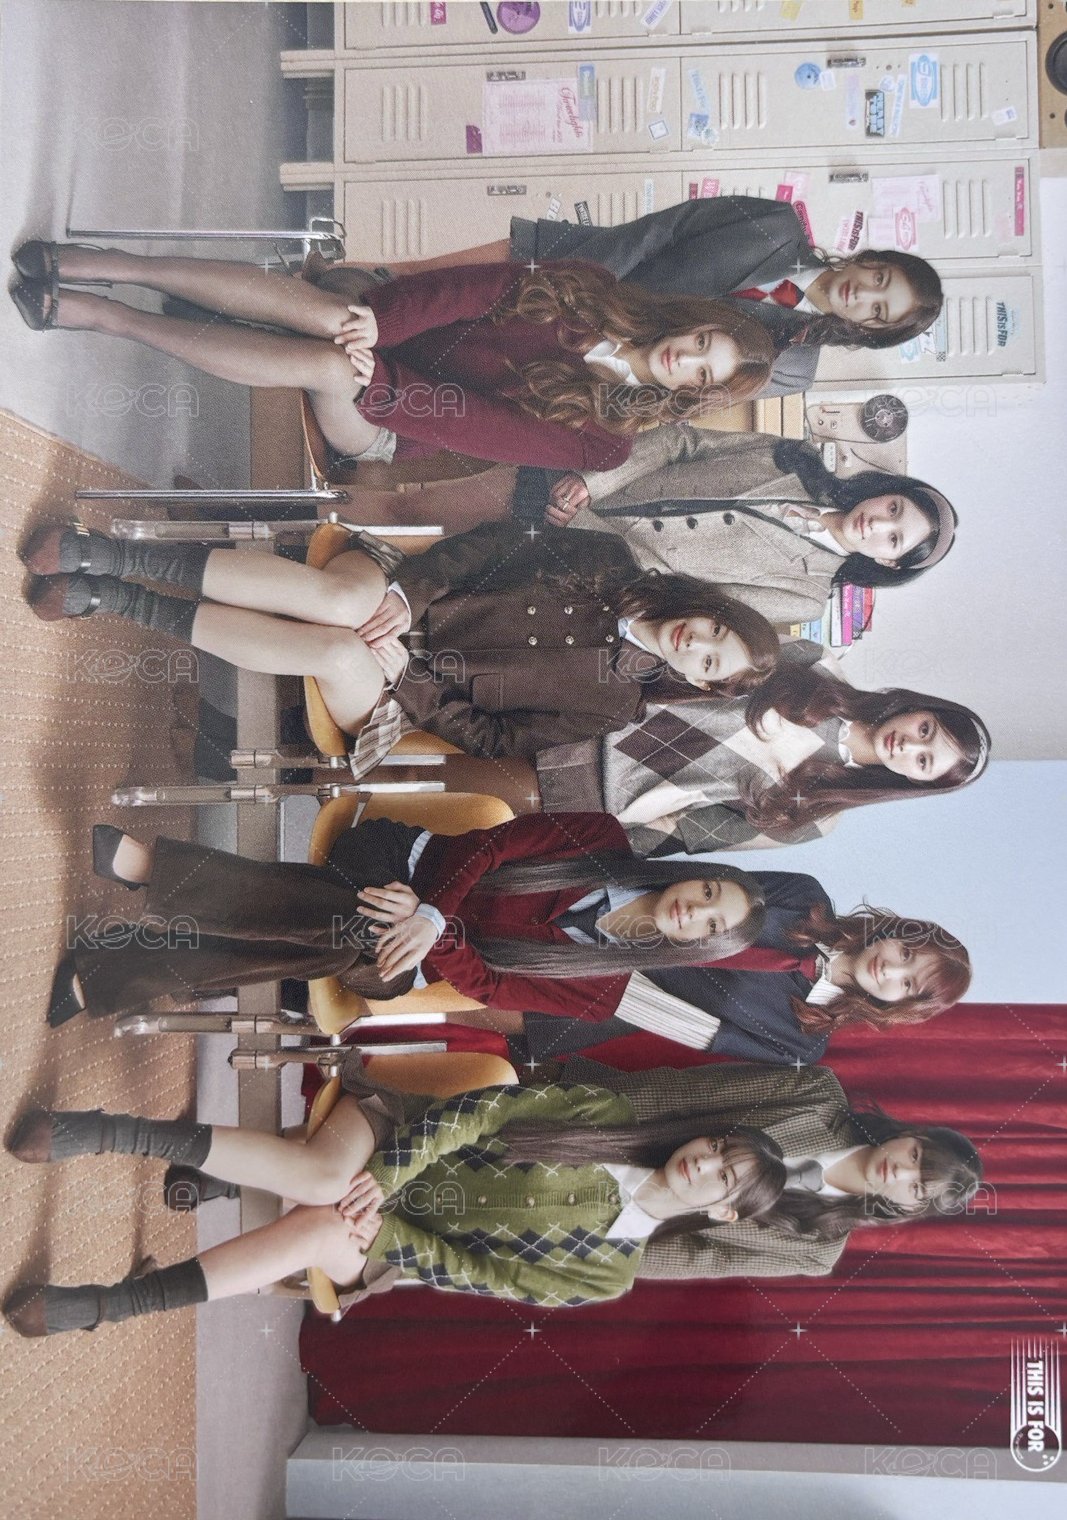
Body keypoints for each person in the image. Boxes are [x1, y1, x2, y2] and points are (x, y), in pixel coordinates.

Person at [2, 1081, 787, 1334]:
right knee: (323, 1180)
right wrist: (387, 1173)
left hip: (394, 1240)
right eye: (718, 1147)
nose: (703, 1163)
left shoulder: (608, 1274)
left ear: (722, 1214)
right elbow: (483, 1109)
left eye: (721, 1179)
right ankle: (105, 1132)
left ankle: (110, 1305)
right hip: (395, 1136)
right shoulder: (608, 1116)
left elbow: (479, 1275)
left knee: (323, 1222)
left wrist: (388, 1231)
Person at [23, 519, 782, 777]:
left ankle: (121, 602)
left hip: (397, 694)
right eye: (715, 631)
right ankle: (115, 556)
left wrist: (408, 679)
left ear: (697, 682)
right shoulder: (607, 559)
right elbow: (489, 545)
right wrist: (405, 598)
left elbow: (491, 740)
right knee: (345, 605)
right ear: (710, 608)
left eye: (709, 662)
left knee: (340, 653)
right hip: (399, 584)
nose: (698, 644)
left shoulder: (612, 707)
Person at [9, 242, 775, 470]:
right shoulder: (594, 286)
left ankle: (109, 317)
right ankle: (108, 264)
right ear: (694, 321)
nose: (687, 360)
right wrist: (380, 323)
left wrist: (380, 379)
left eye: (702, 374)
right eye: (702, 342)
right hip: (392, 323)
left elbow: (477, 426)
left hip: (393, 420)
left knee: (328, 364)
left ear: (696, 394)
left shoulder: (604, 442)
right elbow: (475, 289)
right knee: (334, 318)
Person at [47, 811, 767, 1026]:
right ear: (693, 874)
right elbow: (489, 845)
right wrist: (428, 908)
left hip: (411, 961)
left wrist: (433, 934)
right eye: (709, 892)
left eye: (709, 927)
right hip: (403, 863)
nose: (694, 911)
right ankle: (110, 975)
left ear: (698, 949)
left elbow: (488, 987)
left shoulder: (599, 993)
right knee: (348, 930)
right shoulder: (600, 839)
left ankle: (149, 871)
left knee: (354, 938)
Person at [357, 194, 944, 396]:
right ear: (873, 260)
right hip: (566, 265)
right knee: (398, 280)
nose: (863, 295)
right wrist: (577, 289)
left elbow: (686, 395)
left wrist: (594, 346)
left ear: (868, 330)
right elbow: (660, 230)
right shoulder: (775, 222)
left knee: (426, 354)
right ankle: (323, 283)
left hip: (584, 358)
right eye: (880, 280)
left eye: (878, 310)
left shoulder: (794, 367)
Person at [515, 1059, 983, 1281]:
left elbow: (703, 1258)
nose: (899, 1171)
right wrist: (577, 1121)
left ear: (910, 1207)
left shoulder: (819, 1252)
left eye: (915, 1187)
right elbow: (691, 1094)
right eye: (915, 1156)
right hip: (600, 1127)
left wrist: (593, 1251)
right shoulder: (819, 1094)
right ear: (910, 1135)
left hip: (601, 1220)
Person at [538, 659, 991, 856]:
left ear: (915, 782)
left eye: (924, 762)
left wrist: (589, 840)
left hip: (593, 793)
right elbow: (694, 657)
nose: (909, 746)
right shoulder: (821, 667)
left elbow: (688, 835)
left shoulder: (819, 816)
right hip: (592, 705)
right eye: (925, 731)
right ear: (919, 708)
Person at [512, 874, 972, 1067]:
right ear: (895, 933)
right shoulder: (805, 897)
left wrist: (593, 982)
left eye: (906, 984)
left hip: (594, 998)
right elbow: (702, 882)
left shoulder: (803, 1043)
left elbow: (689, 1028)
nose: (890, 969)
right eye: (906, 953)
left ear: (899, 1007)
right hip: (602, 905)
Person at [533, 426, 958, 629]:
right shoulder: (795, 459)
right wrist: (592, 482)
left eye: (894, 538)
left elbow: (680, 598)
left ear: (888, 562)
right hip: (566, 478)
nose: (879, 522)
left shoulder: (805, 598)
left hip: (574, 567)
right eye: (894, 508)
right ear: (887, 491)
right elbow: (683, 443)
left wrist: (587, 531)